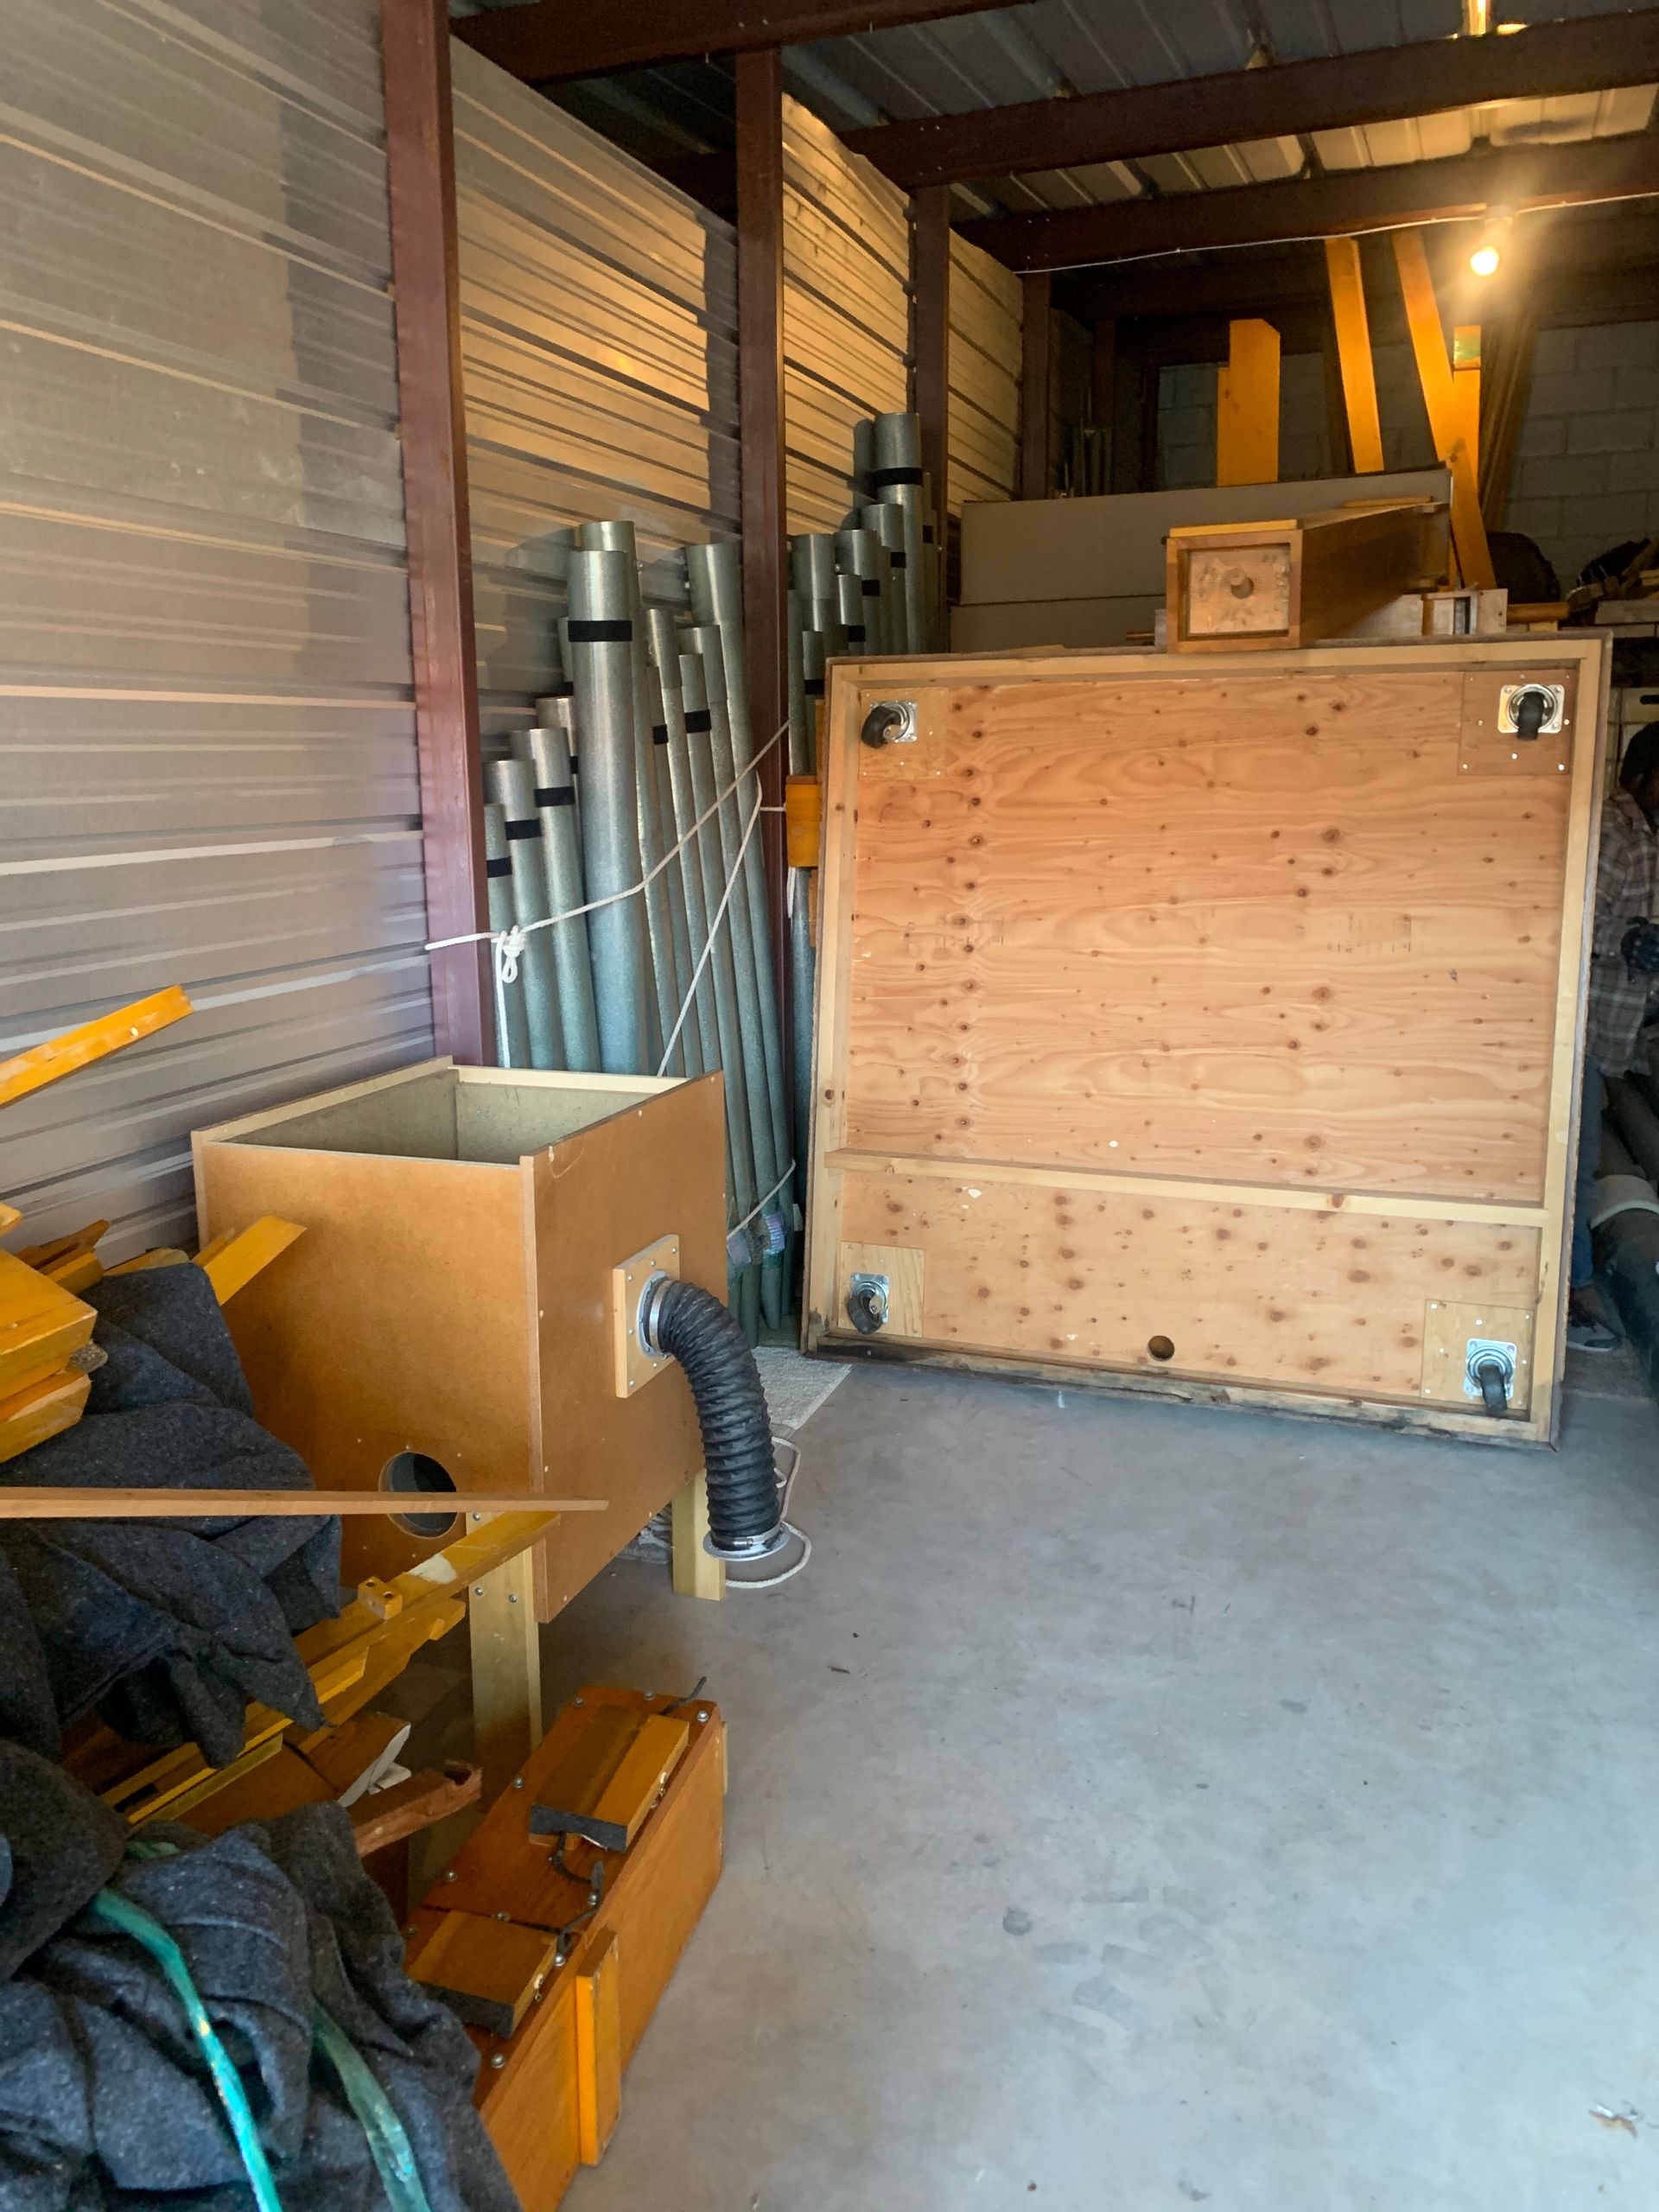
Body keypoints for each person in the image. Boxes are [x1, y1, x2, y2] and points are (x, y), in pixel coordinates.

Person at [1571, 721, 1659, 1350]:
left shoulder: (1648, 834)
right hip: (1580, 1023)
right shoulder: (1612, 830)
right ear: (1644, 777)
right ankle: (1569, 1294)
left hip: (1616, 1025)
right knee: (1573, 1160)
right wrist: (1623, 939)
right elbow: (1570, 910)